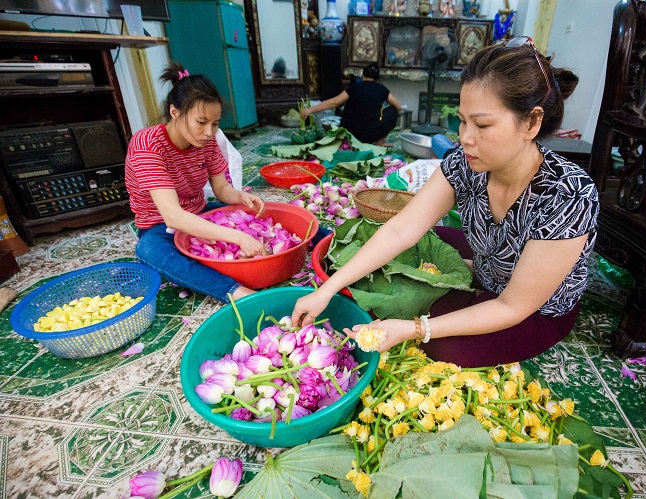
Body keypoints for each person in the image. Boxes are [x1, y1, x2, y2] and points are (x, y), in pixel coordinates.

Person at [292, 38, 599, 367]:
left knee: (443, 347)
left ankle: (454, 302)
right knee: (411, 242)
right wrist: (326, 289)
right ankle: (466, 285)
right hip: (487, 267)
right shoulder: (465, 163)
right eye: (463, 120)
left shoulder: (567, 195)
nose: (465, 137)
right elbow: (402, 229)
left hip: (533, 308)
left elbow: (513, 306)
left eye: (482, 125)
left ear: (531, 123)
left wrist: (416, 328)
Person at [125, 61, 267, 303]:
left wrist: (240, 197)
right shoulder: (147, 145)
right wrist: (239, 238)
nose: (210, 132)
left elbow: (221, 189)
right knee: (149, 251)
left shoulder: (206, 142)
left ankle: (324, 241)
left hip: (199, 212)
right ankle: (235, 291)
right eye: (201, 122)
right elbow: (173, 217)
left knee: (266, 213)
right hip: (161, 226)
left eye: (215, 124)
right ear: (174, 112)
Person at [300, 64, 402, 146]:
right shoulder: (382, 89)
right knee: (392, 110)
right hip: (371, 136)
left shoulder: (354, 88)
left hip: (349, 135)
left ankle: (347, 141)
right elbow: (398, 107)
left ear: (363, 76)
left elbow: (334, 102)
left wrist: (310, 110)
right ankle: (381, 142)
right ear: (377, 79)